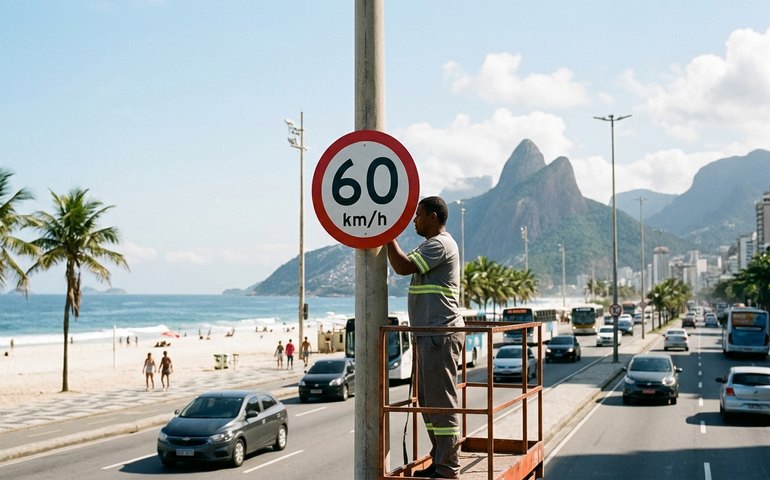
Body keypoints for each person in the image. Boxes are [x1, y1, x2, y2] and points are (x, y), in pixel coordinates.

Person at [386, 196, 463, 479]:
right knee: (429, 404)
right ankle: (439, 458)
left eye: (418, 215)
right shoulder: (431, 245)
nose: (413, 220)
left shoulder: (439, 244)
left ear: (433, 217)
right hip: (429, 335)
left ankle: (448, 466)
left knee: (441, 403)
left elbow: (402, 266)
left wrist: (387, 234)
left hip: (439, 334)